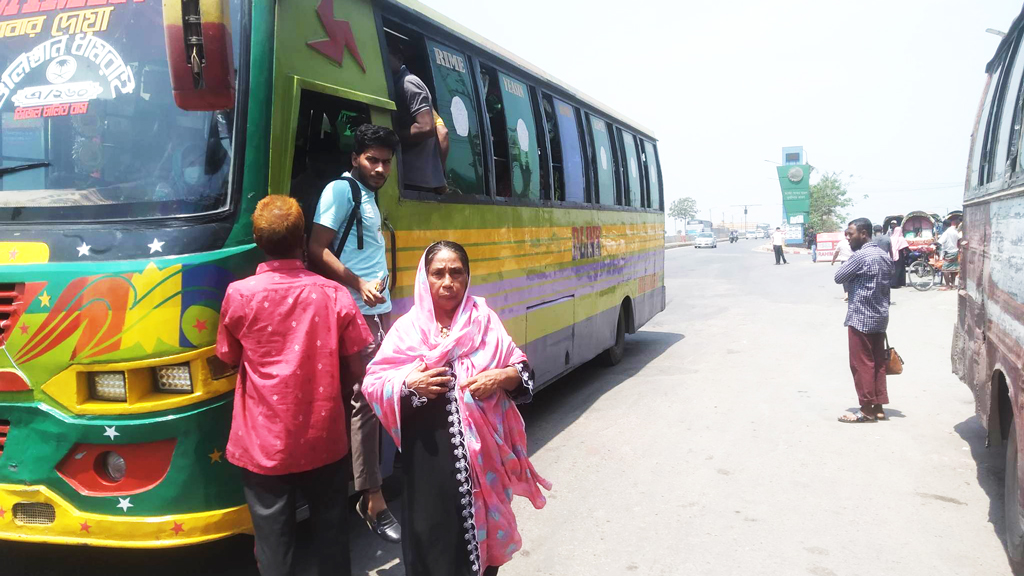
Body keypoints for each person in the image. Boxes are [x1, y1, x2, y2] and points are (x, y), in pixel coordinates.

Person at [362, 241, 551, 576]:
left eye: (456, 273)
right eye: (438, 273)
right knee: (434, 549)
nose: (447, 281)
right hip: (428, 466)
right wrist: (409, 383)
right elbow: (373, 384)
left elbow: (523, 374)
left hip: (486, 465)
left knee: (485, 554)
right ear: (425, 277)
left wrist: (499, 376)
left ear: (467, 277)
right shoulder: (408, 330)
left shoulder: (484, 321)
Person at [216, 195, 372, 576]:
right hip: (324, 437)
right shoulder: (332, 292)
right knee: (332, 532)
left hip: (263, 443)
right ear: (303, 239)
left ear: (257, 238)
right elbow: (358, 362)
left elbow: (228, 355)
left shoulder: (240, 294)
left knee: (272, 539)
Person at [307, 124, 402, 543]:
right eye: (372, 160)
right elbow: (316, 248)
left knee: (384, 394)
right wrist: (357, 285)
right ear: (355, 159)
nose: (380, 168)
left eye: (385, 161)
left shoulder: (368, 196)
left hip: (378, 312)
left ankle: (370, 483)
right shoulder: (340, 191)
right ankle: (372, 498)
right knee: (367, 397)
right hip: (354, 312)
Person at [834, 217, 893, 423]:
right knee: (878, 363)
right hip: (880, 316)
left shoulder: (860, 256)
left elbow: (839, 276)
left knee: (861, 364)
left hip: (861, 316)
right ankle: (878, 407)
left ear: (864, 234)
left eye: (851, 234)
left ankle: (866, 409)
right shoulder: (883, 255)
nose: (848, 238)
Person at [387, 38, 447, 194]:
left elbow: (426, 128)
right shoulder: (396, 83)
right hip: (413, 177)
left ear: (399, 59)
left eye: (383, 54)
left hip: (414, 179)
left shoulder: (408, 83)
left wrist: (389, 136)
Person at [832, 230, 854, 301]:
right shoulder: (855, 242)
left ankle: (846, 294)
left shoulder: (841, 243)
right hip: (854, 261)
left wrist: (833, 260)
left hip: (844, 262)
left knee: (845, 279)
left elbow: (836, 253)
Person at [938, 218, 961, 290]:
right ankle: (953, 285)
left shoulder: (946, 233)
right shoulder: (955, 231)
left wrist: (933, 244)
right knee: (953, 269)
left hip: (949, 252)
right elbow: (959, 239)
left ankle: (947, 285)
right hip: (955, 252)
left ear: (944, 225)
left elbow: (940, 242)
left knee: (945, 269)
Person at [889, 222, 910, 289]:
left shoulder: (891, 237)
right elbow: (906, 248)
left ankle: (892, 283)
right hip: (899, 255)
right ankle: (898, 283)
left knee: (894, 269)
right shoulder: (901, 238)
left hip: (892, 254)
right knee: (899, 269)